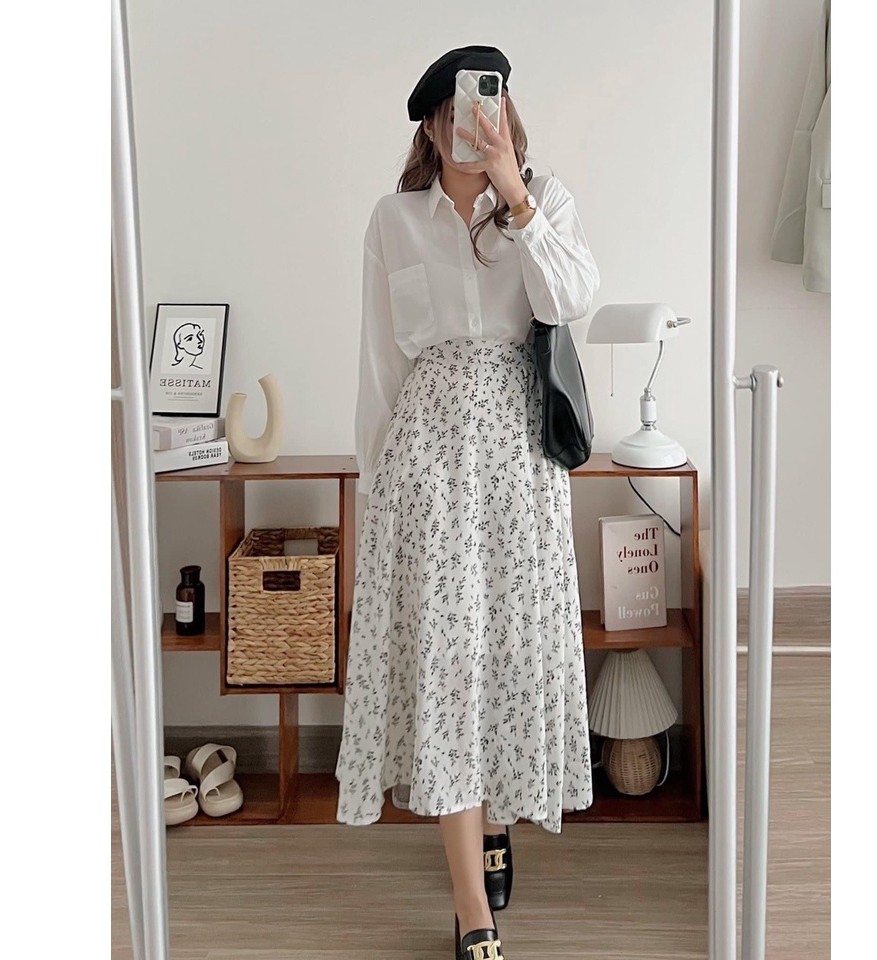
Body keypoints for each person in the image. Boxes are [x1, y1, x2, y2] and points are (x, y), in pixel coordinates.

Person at [334, 45, 599, 959]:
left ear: (505, 112)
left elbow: (572, 298)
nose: (468, 123)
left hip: (520, 466)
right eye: (451, 111)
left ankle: (492, 823)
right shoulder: (394, 219)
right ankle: (471, 910)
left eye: (484, 105)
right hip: (429, 468)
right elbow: (380, 362)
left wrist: (514, 194)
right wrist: (374, 484)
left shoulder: (544, 202)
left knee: (508, 653)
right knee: (448, 663)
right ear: (430, 125)